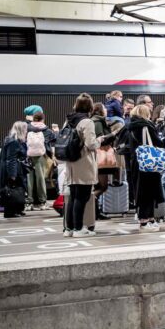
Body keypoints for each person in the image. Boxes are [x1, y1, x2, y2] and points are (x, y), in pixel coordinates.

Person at [63, 93, 101, 237]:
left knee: (73, 196)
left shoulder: (69, 120)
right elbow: (91, 144)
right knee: (82, 197)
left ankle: (69, 228)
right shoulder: (87, 122)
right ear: (90, 106)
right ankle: (79, 228)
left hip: (70, 162)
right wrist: (100, 140)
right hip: (83, 161)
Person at [122, 104, 165, 231]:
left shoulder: (130, 127)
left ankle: (149, 219)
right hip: (149, 161)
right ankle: (145, 222)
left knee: (142, 191)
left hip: (136, 161)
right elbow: (158, 142)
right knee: (149, 191)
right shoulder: (146, 126)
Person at [0, 121, 29, 218]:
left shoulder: (15, 141)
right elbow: (11, 159)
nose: (27, 132)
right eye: (25, 130)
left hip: (16, 168)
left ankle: (17, 209)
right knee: (12, 190)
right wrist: (12, 174)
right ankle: (11, 211)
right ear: (21, 130)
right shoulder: (13, 142)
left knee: (17, 189)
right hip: (13, 169)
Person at [91, 103, 116, 219]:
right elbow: (101, 139)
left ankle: (95, 211)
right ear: (100, 110)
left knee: (99, 186)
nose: (106, 110)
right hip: (100, 157)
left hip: (97, 157)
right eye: (104, 108)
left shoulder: (97, 121)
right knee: (102, 186)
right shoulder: (98, 122)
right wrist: (114, 134)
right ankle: (91, 208)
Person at [27, 111, 56, 210]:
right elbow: (55, 139)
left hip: (28, 156)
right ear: (43, 119)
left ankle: (29, 202)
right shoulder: (46, 130)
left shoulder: (27, 128)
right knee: (41, 179)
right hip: (41, 156)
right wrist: (55, 131)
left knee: (29, 179)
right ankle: (42, 202)